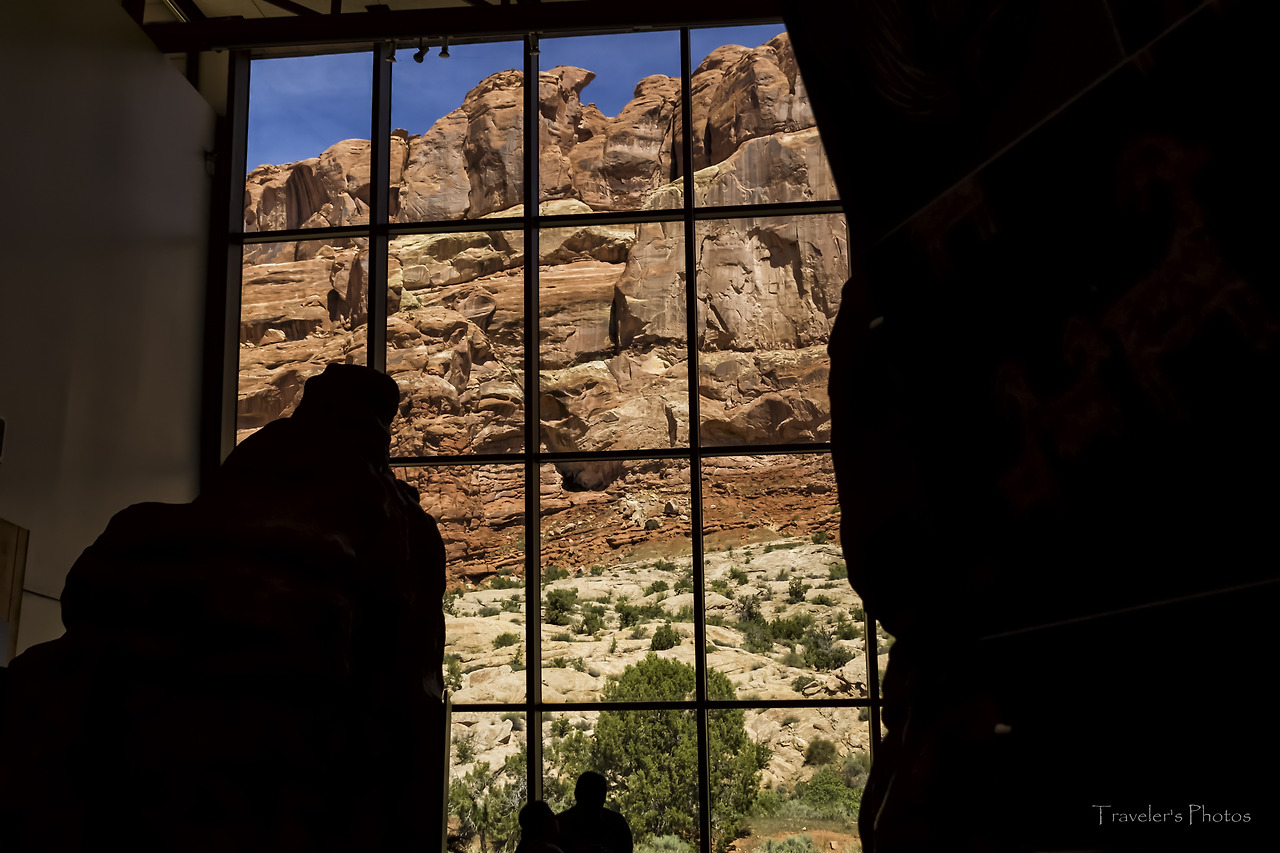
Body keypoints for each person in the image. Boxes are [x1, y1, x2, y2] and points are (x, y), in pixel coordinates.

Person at [556, 771, 633, 853]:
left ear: (576, 794)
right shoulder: (616, 823)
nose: (594, 801)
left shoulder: (559, 824)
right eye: (591, 795)